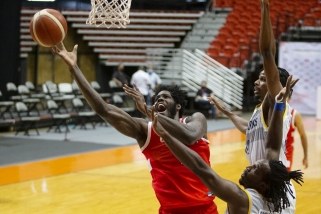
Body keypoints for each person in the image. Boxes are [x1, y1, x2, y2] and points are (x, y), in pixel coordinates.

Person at [51, 44, 218, 214]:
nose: (160, 100)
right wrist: (74, 68)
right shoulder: (145, 131)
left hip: (204, 209)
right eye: (157, 98)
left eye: (166, 97)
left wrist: (147, 110)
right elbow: (104, 110)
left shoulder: (196, 119)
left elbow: (188, 136)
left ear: (178, 106)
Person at [151, 76, 303, 214]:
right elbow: (273, 147)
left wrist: (165, 135)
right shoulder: (284, 203)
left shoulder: (241, 200)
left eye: (255, 169)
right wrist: (278, 105)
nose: (249, 167)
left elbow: (200, 168)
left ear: (263, 186)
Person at [208, 0, 297, 213]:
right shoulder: (261, 111)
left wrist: (265, 8)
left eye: (264, 79)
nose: (258, 82)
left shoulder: (276, 103)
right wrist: (229, 113)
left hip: (270, 184)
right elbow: (249, 128)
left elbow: (267, 53)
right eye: (258, 78)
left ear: (277, 85)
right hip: (262, 182)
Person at [286, 97, 308, 170]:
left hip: (286, 155)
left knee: (283, 178)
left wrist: (305, 156)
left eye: (284, 96)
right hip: (273, 153)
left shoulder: (295, 115)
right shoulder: (272, 112)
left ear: (289, 98)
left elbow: (303, 135)